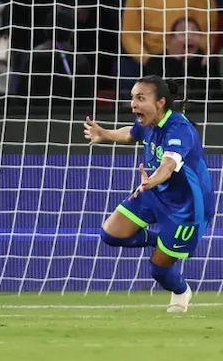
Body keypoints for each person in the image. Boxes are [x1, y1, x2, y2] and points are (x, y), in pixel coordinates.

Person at [82, 76, 215, 312]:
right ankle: (161, 241)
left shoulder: (180, 129)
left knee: (158, 269)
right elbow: (130, 133)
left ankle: (181, 291)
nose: (133, 104)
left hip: (186, 208)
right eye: (133, 98)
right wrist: (104, 134)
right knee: (111, 234)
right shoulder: (147, 123)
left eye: (140, 98)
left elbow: (168, 166)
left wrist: (153, 180)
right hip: (155, 192)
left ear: (160, 102)